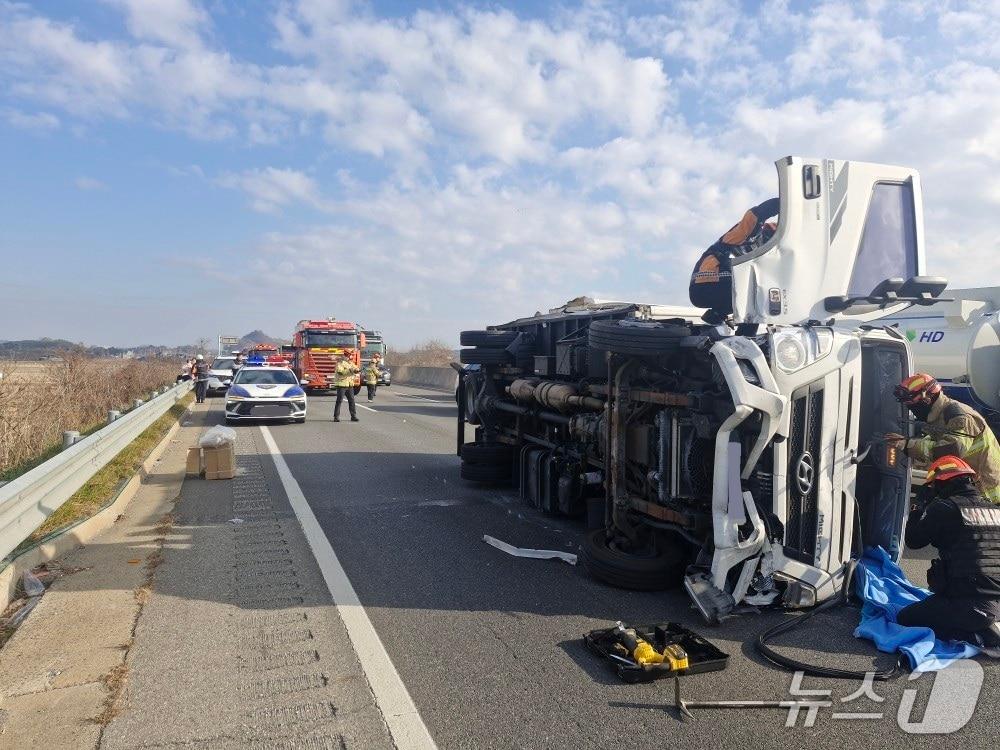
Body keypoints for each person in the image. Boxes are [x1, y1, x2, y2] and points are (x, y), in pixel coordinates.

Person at [897, 455, 1000, 651]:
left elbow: (913, 540)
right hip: (995, 598)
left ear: (940, 484)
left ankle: (978, 633)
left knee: (905, 618)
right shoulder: (995, 510)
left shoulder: (945, 507)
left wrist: (919, 507)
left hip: (970, 603)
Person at [887, 373, 1000, 503]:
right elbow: (937, 440)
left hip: (987, 492)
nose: (911, 408)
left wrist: (909, 445)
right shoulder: (938, 415)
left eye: (912, 403)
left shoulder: (959, 416)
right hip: (969, 486)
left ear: (927, 397)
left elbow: (952, 450)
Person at [689, 197, 780, 322]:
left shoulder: (762, 254)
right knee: (758, 294)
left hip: (707, 289)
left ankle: (716, 316)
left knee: (760, 289)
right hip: (707, 283)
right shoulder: (749, 234)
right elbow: (755, 215)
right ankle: (745, 336)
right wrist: (785, 203)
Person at [333, 355, 360, 422]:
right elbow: (340, 372)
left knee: (352, 401)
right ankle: (336, 417)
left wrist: (357, 370)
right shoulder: (340, 363)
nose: (349, 357)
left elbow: (356, 368)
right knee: (339, 401)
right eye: (347, 356)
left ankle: (353, 416)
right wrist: (350, 370)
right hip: (342, 384)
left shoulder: (350, 363)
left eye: (349, 356)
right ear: (344, 356)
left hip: (349, 384)